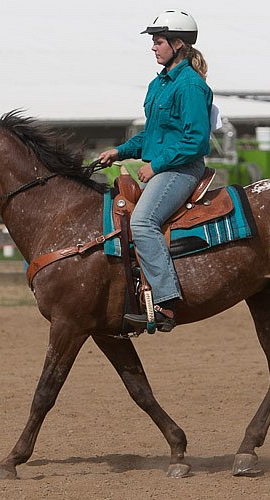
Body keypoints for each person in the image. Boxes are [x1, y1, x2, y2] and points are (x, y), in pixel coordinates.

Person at [98, 10, 213, 332]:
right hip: (162, 167)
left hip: (181, 169)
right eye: (153, 41)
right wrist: (120, 151)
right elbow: (153, 133)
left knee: (144, 222)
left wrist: (156, 166)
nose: (153, 47)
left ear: (178, 44)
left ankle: (165, 303)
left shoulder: (189, 86)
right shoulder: (159, 83)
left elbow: (196, 140)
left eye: (158, 41)